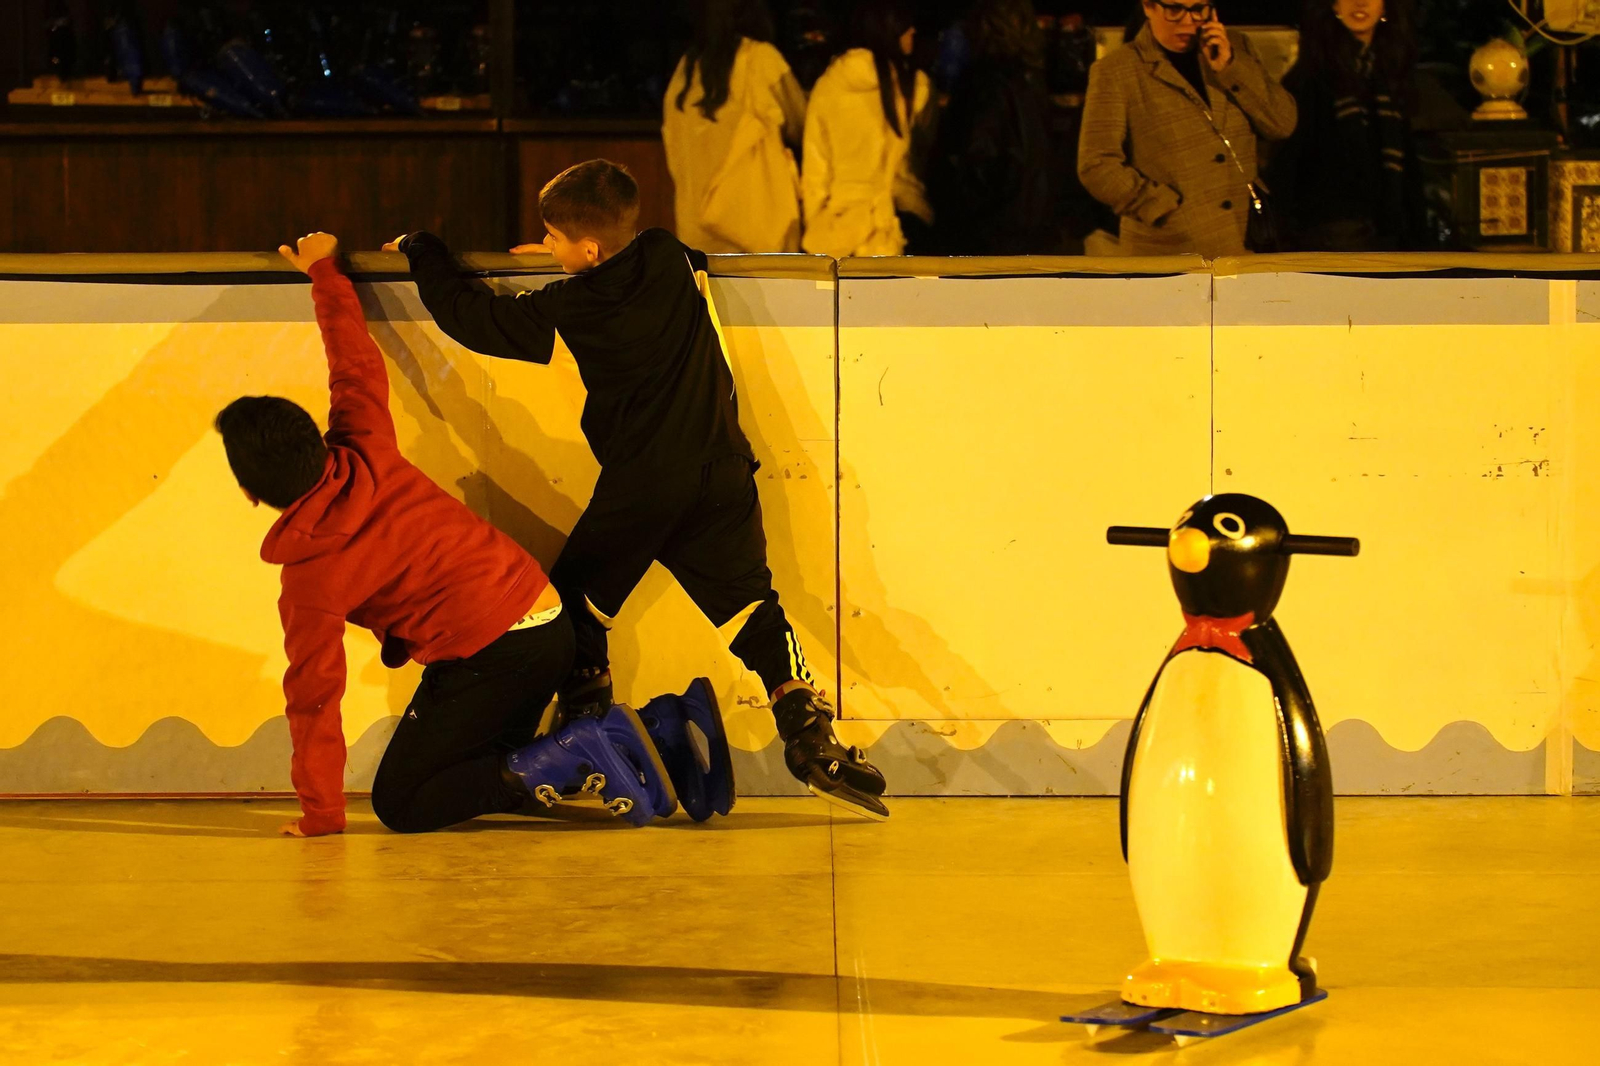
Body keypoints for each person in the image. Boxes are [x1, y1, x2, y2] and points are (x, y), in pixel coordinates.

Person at [386, 160, 891, 820]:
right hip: (722, 474)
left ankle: (588, 730)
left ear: (587, 250)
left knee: (571, 612)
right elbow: (668, 263)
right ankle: (809, 734)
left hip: (644, 487)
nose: (550, 248)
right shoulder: (668, 254)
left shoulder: (572, 303)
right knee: (752, 610)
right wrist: (574, 255)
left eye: (555, 238)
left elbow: (472, 319)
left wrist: (424, 251)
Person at [214, 232, 707, 837]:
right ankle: (649, 734)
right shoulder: (363, 442)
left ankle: (575, 752)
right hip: (550, 622)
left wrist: (321, 813)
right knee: (475, 770)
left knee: (405, 801)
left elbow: (314, 700)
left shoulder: (310, 577)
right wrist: (324, 270)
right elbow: (352, 361)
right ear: (318, 441)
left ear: (251, 493)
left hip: (493, 656)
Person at [1077, 2, 1296, 257]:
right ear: (1149, 7)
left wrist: (1231, 68)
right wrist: (1161, 206)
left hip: (1242, 243)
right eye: (1174, 10)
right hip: (1167, 249)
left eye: (1198, 9)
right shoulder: (1117, 70)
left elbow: (1282, 124)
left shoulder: (1236, 48)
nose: (1188, 20)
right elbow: (1096, 164)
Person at [1267, 0, 1418, 251]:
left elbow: (1409, 165)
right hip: (1329, 236)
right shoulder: (1310, 77)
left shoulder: (1390, 73)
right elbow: (1286, 165)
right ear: (1334, 6)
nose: (1359, 2)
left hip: (1388, 232)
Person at [663, 0, 807, 253]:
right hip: (753, 227)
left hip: (695, 228)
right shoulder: (761, 59)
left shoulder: (685, 72)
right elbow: (801, 123)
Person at [800, 0, 933, 258]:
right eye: (905, 25)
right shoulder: (917, 88)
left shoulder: (828, 86)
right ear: (890, 30)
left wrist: (816, 227)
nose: (913, 31)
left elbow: (816, 171)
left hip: (838, 231)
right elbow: (916, 163)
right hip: (895, 227)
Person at [927, 0, 1054, 255]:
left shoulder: (983, 86)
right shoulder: (1030, 81)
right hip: (1031, 234)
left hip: (989, 240)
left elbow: (978, 167)